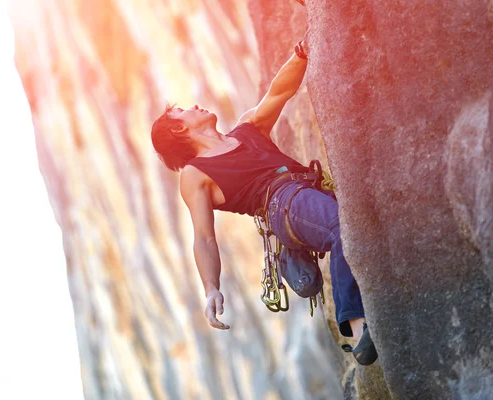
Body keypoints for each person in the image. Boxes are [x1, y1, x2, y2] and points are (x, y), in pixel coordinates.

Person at [150, 39, 377, 365]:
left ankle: (363, 319)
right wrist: (211, 288)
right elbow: (203, 237)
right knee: (343, 226)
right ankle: (356, 330)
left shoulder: (247, 130)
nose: (195, 106)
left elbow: (278, 92)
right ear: (178, 127)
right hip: (281, 204)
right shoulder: (195, 173)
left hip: (307, 193)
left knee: (359, 225)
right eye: (183, 110)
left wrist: (303, 51)